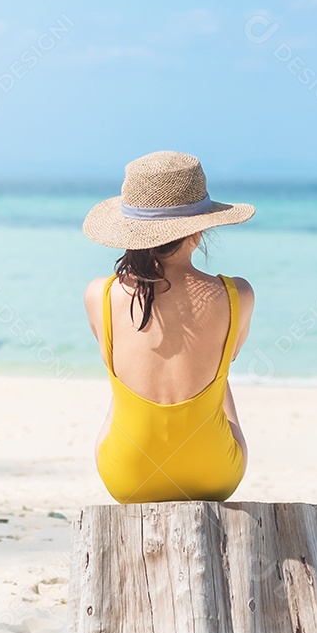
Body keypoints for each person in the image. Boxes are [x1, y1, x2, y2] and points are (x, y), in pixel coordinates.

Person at [81, 150, 255, 504]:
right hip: (214, 475)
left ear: (130, 229)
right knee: (219, 377)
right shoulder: (238, 294)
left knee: (121, 388)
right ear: (201, 227)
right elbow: (227, 361)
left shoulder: (100, 294)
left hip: (128, 477)